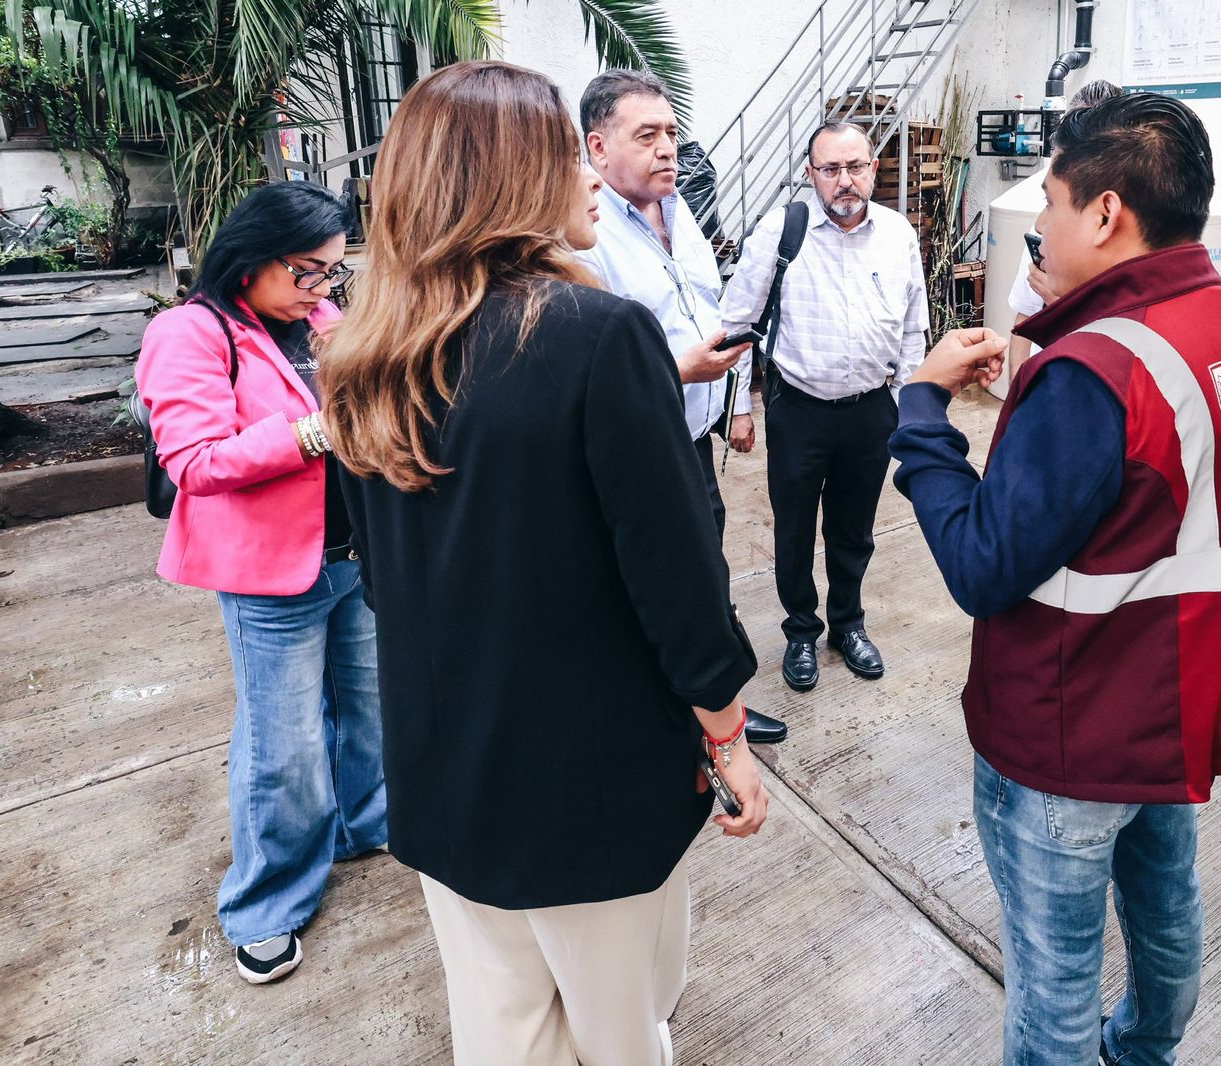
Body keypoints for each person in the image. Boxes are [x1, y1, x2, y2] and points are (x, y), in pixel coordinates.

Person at [320, 61, 770, 1066]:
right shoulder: (598, 337)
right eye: (570, 152)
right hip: (587, 781)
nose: (592, 174)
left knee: (503, 1031)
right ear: (511, 178)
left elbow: (382, 579)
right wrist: (727, 732)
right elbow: (678, 581)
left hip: (443, 772)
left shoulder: (363, 353)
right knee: (624, 1028)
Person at [889, 94, 1221, 1065]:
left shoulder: (1095, 372)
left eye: (1050, 200)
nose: (1039, 224)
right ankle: (1146, 1050)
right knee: (1166, 913)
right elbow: (1213, 505)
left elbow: (983, 564)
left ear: (1107, 212)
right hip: (1176, 706)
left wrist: (921, 410)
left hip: (1066, 733)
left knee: (1054, 984)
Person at [136, 182, 384, 985]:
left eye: (333, 271)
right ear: (252, 257)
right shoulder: (190, 332)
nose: (322, 287)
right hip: (270, 576)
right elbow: (195, 461)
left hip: (352, 556)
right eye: (308, 270)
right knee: (284, 746)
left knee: (367, 711)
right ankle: (267, 902)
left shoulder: (318, 319)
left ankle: (362, 825)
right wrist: (314, 432)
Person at [578, 68, 787, 745]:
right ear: (598, 147)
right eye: (647, 135)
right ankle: (686, 720)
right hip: (635, 450)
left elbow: (717, 308)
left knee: (704, 574)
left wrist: (737, 401)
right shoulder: (584, 235)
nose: (668, 148)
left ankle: (714, 706)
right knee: (660, 585)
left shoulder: (679, 210)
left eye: (670, 132)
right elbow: (587, 377)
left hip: (691, 437)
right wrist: (678, 370)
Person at [720, 121, 929, 693]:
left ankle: (847, 625)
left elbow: (914, 327)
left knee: (854, 529)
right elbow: (737, 323)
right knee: (794, 529)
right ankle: (800, 631)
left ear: (873, 169)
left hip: (872, 410)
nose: (845, 180)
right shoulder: (781, 231)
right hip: (799, 410)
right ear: (811, 173)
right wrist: (739, 407)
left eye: (855, 167)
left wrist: (910, 407)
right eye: (831, 169)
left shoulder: (897, 233)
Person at [1006, 79, 1124, 372]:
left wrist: (1063, 306)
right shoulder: (1045, 229)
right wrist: (1018, 392)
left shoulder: (1135, 242)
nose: (1041, 224)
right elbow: (1024, 321)